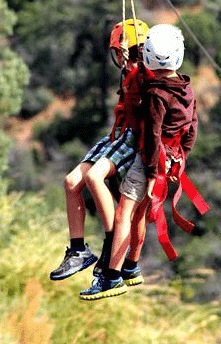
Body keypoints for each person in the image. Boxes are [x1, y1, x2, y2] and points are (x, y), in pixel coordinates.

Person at [79, 23, 198, 300]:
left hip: (151, 161)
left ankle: (110, 277)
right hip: (171, 159)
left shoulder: (157, 94)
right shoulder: (185, 87)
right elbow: (192, 127)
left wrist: (152, 170)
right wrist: (181, 157)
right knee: (140, 215)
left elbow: (153, 133)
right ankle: (131, 267)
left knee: (123, 214)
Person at [49, 18, 150, 283]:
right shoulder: (130, 72)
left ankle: (110, 246)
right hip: (117, 135)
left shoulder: (144, 75)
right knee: (72, 182)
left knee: (95, 178)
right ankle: (78, 249)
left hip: (132, 138)